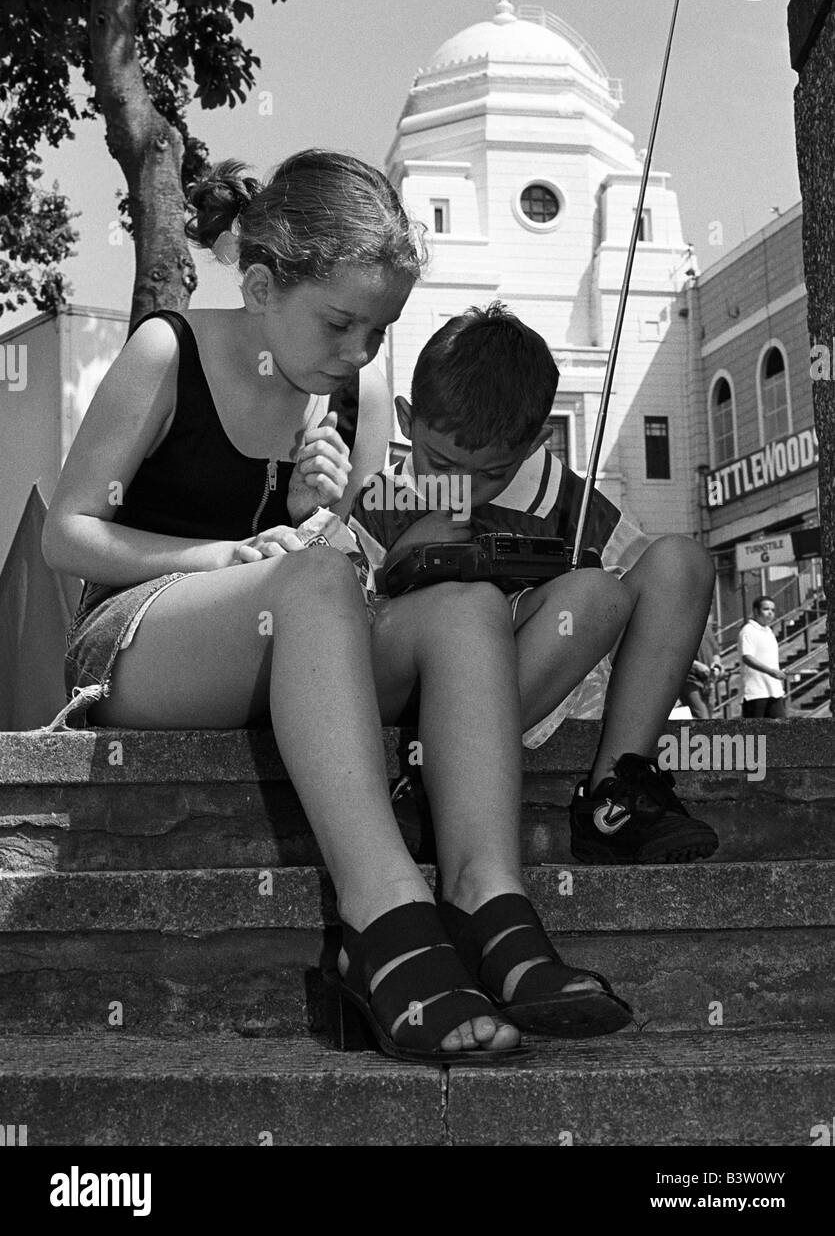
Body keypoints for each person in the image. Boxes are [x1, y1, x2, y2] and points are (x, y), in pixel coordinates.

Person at [41, 153, 632, 1064]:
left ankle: (488, 897)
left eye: (378, 328)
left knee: (462, 600)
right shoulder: (171, 348)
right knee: (313, 585)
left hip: (282, 627)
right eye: (341, 323)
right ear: (265, 284)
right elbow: (68, 533)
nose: (358, 352)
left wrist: (310, 522)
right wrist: (235, 555)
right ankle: (382, 918)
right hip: (135, 634)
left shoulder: (342, 391)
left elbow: (338, 560)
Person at [350, 302, 720, 866]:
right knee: (588, 596)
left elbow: (653, 586)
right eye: (442, 464)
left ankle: (615, 794)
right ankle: (441, 777)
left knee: (681, 562)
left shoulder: (567, 499)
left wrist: (671, 646)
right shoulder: (383, 499)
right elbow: (350, 630)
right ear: (407, 420)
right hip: (417, 689)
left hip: (538, 669)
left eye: (492, 473)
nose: (465, 488)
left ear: (532, 444)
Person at [738, 595, 786, 717]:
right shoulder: (748, 630)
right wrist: (771, 672)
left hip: (774, 691)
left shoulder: (769, 632)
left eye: (773, 610)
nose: (770, 613)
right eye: (766, 609)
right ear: (755, 611)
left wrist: (775, 673)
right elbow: (747, 657)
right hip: (755, 692)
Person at [679, 620, 724, 717]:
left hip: (708, 679)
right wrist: (696, 665)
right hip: (690, 680)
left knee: (709, 716)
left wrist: (716, 664)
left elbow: (715, 651)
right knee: (702, 715)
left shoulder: (706, 627)